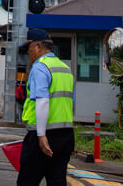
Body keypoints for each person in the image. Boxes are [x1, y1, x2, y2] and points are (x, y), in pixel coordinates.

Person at [17, 28, 74, 186]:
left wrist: (41, 136)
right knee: (57, 181)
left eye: (29, 48)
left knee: (27, 182)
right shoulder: (65, 68)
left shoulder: (40, 67)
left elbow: (42, 101)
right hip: (66, 135)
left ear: (38, 46)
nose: (28, 52)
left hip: (42, 136)